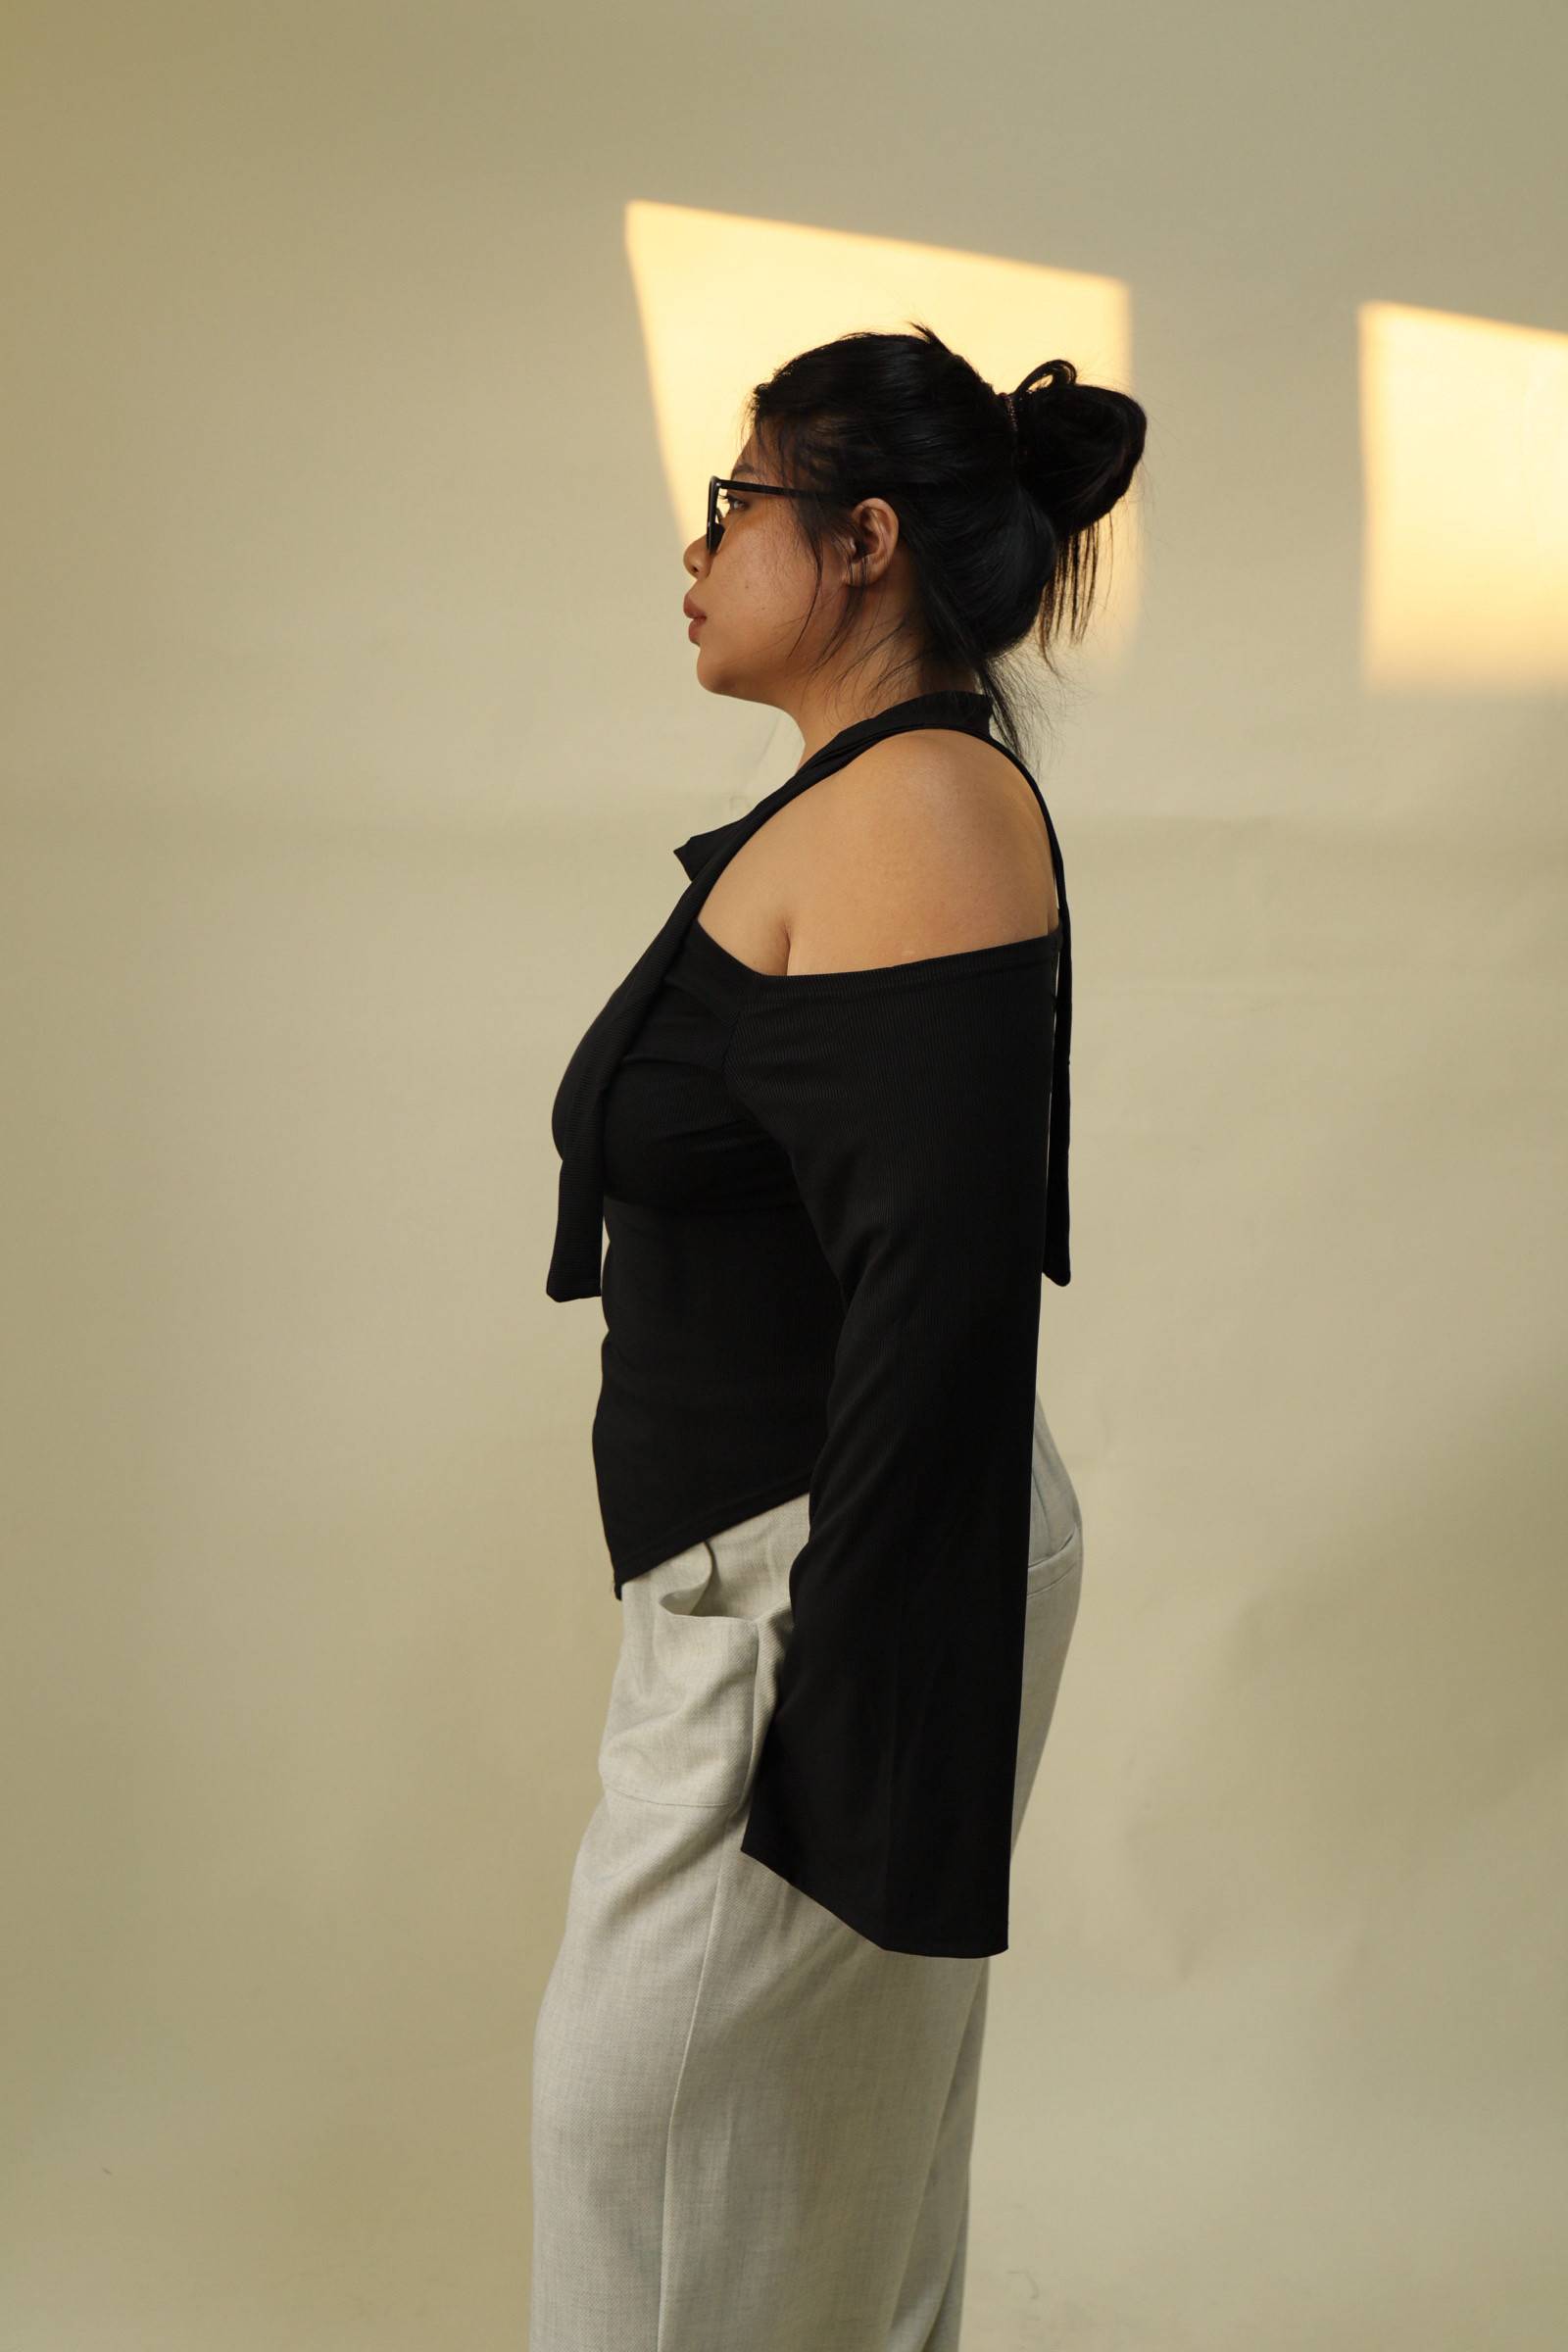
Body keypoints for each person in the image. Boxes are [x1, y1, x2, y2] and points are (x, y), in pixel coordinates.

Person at [531, 321, 1147, 2351]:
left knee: (686, 2191)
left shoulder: (918, 813)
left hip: (826, 1585)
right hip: (784, 1575)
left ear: (864, 541)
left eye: (736, 506)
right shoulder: (870, 799)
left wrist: (851, 1739)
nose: (696, 550)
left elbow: (937, 1298)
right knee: (786, 2214)